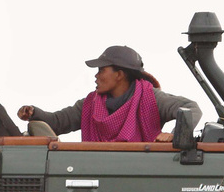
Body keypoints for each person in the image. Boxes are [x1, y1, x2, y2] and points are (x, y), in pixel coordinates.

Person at [17, 45, 201, 142]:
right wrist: (34, 113)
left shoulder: (150, 98)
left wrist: (175, 134)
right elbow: (58, 122)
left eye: (101, 70)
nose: (96, 76)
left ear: (119, 74)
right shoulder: (89, 104)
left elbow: (192, 109)